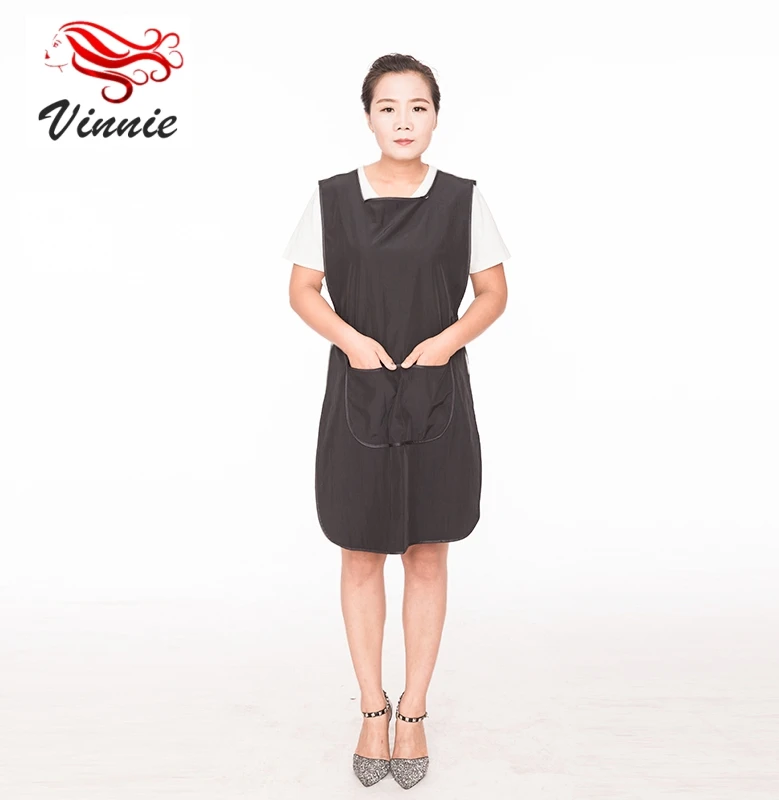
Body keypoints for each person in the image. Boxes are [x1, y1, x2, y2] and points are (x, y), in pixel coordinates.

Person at [283, 53, 510, 789]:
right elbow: (304, 289)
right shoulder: (331, 198)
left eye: (418, 107)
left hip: (437, 391)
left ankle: (413, 710)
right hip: (358, 391)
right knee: (359, 550)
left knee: (427, 550)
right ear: (368, 116)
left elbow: (492, 292)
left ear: (436, 116)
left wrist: (444, 344)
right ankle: (371, 708)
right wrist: (352, 342)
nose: (403, 121)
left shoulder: (462, 199)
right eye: (388, 107)